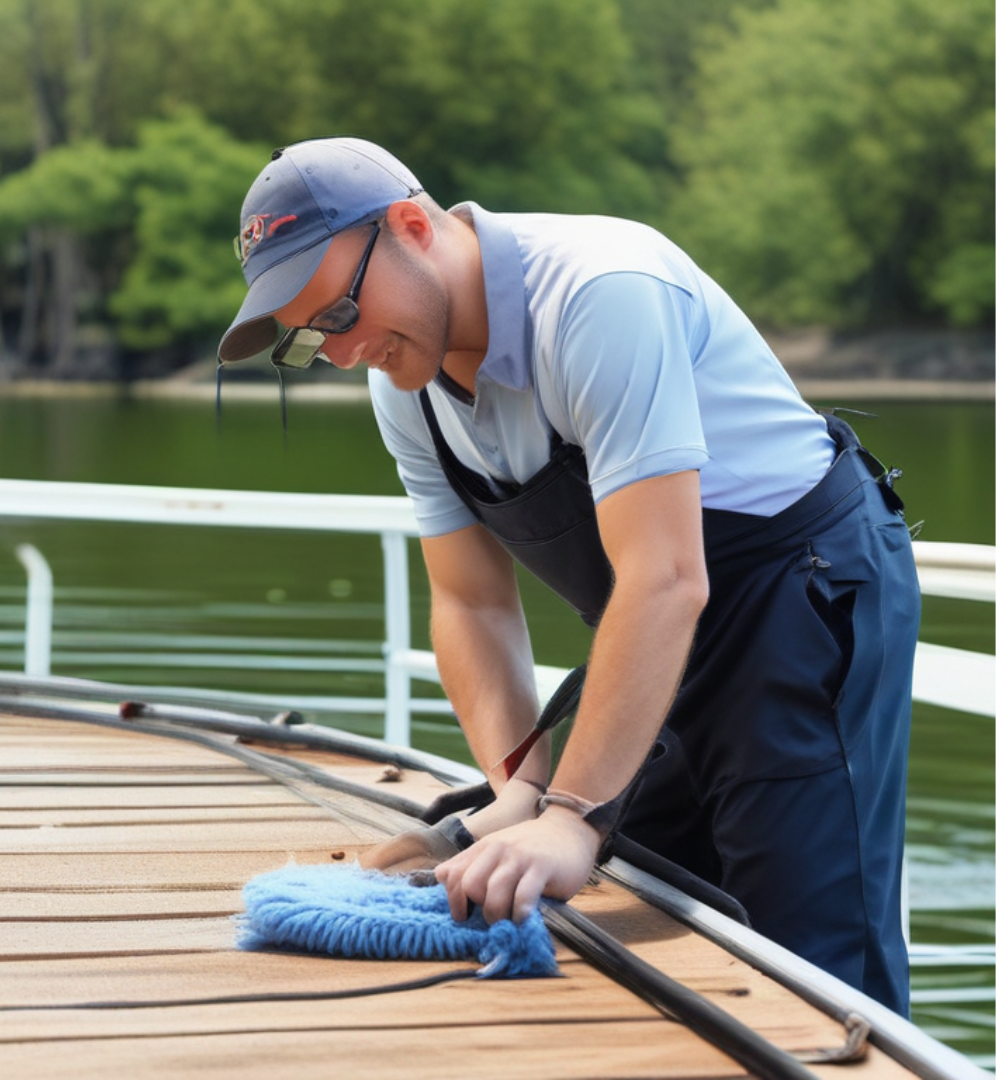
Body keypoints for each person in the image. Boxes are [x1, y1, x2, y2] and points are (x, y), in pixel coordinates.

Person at [218, 137, 921, 1014]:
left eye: (336, 313)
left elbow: (664, 574)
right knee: (651, 913)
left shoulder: (598, 293)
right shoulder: (404, 379)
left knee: (807, 952)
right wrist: (525, 789)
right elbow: (470, 601)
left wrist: (574, 813)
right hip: (657, 620)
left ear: (409, 226)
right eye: (307, 338)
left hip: (798, 592)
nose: (338, 351)